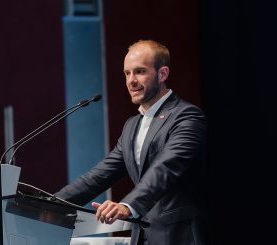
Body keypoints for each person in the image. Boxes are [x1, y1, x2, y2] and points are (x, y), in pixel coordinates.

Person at [55, 40, 208, 245]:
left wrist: (128, 205)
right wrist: (50, 204)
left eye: (140, 72)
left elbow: (165, 169)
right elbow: (99, 175)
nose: (131, 81)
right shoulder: (132, 125)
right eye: (127, 73)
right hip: (142, 237)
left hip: (179, 236)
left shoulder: (187, 116)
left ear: (162, 74)